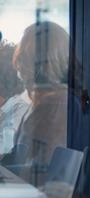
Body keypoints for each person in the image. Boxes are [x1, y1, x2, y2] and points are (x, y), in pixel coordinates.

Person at [7, 21, 72, 186]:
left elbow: (41, 171)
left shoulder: (55, 106)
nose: (18, 67)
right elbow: (18, 157)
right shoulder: (42, 102)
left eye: (24, 59)